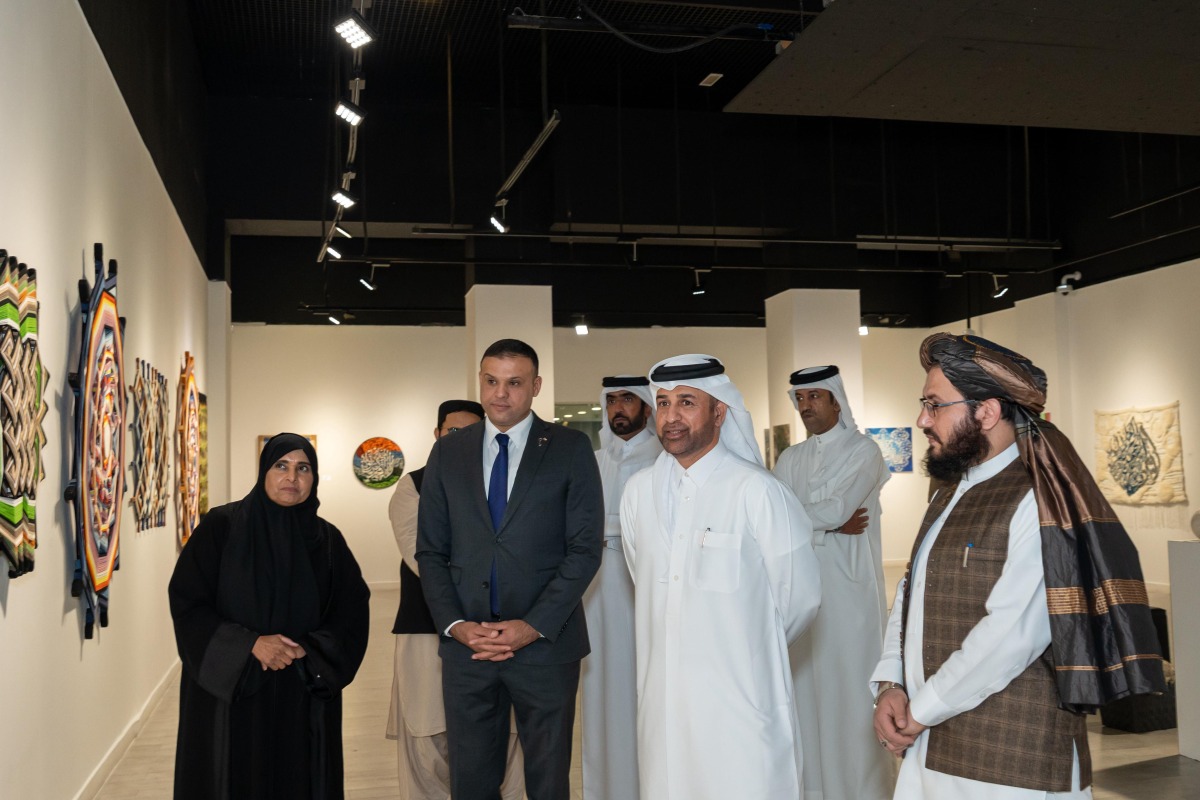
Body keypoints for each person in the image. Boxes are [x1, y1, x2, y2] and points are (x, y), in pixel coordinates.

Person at [871, 333, 1166, 799]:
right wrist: (891, 684)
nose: (922, 420)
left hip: (1011, 759)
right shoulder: (949, 492)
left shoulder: (1036, 498)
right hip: (931, 738)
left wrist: (919, 709)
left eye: (934, 405)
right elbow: (911, 593)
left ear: (986, 411)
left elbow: (1012, 634)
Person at [619, 353, 822, 800]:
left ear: (720, 411)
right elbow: (648, 579)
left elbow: (799, 599)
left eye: (687, 402)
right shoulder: (637, 494)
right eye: (664, 402)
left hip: (741, 701)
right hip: (664, 703)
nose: (672, 417)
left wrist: (744, 652)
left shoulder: (758, 491)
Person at [416, 338, 603, 800]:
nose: (501, 394)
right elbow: (430, 552)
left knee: (547, 781)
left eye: (514, 383)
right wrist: (456, 626)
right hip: (468, 651)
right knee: (472, 782)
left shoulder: (570, 448)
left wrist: (533, 626)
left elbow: (584, 550)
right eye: (491, 381)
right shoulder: (448, 454)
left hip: (545, 649)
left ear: (535, 386)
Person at [169, 433, 371, 799]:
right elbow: (188, 602)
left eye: (303, 468)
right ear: (264, 471)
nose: (291, 477)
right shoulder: (222, 527)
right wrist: (250, 644)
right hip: (232, 690)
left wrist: (309, 650)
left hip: (303, 688)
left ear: (314, 478)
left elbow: (352, 610)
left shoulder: (327, 541)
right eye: (281, 465)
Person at [386, 400, 525, 800]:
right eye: (452, 431)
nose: (461, 439)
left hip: (497, 635)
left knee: (504, 737)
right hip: (428, 629)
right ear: (437, 434)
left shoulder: (505, 481)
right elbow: (422, 558)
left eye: (471, 431)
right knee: (428, 739)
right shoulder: (413, 484)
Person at [774, 365, 894, 800]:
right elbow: (776, 519)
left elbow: (839, 507)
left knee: (849, 698)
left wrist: (816, 519)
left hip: (850, 594)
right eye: (800, 398)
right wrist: (826, 525)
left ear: (836, 400)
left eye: (814, 397)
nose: (806, 406)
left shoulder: (865, 452)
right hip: (802, 592)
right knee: (806, 698)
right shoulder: (790, 458)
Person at [581, 375, 661, 800]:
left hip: (643, 591)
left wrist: (602, 530)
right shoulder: (594, 460)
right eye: (611, 400)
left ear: (646, 406)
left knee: (642, 694)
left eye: (628, 399)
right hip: (594, 594)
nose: (618, 408)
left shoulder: (664, 460)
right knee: (600, 699)